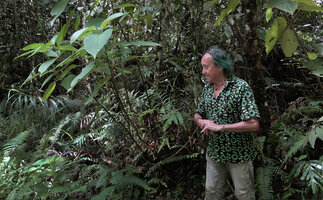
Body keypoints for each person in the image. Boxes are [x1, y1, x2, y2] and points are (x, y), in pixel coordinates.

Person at [194, 47, 260, 200]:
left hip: (239, 155)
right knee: (211, 193)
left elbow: (253, 124)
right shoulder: (207, 89)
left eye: (206, 67)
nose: (203, 71)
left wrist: (221, 127)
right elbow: (197, 114)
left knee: (244, 195)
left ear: (219, 66)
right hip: (214, 155)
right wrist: (202, 122)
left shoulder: (240, 88)